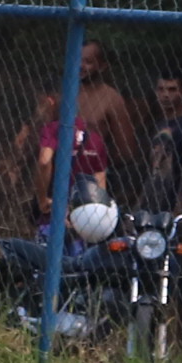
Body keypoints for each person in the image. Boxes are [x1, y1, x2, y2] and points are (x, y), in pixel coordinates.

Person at [33, 83, 109, 244]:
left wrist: (42, 199)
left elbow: (44, 161)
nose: (39, 110)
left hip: (55, 210)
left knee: (47, 254)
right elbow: (100, 182)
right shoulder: (94, 137)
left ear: (50, 101)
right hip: (84, 216)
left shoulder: (53, 129)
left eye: (40, 104)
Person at [77, 39, 135, 166]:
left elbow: (126, 151)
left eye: (88, 62)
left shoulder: (111, 98)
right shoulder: (62, 93)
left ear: (102, 66)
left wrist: (99, 162)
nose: (81, 65)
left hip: (89, 171)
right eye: (77, 60)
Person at [140, 71, 182, 212]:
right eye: (161, 89)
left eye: (172, 89)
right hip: (152, 199)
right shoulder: (157, 124)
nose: (166, 95)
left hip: (175, 200)